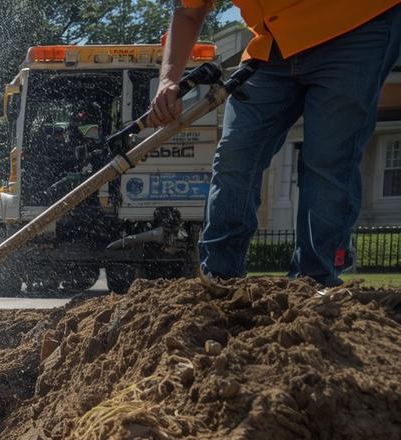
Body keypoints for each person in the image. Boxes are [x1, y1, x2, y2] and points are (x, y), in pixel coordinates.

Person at [151, 1, 401, 286]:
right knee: (235, 155)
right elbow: (188, 11)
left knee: (328, 161)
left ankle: (314, 282)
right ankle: (219, 273)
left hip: (354, 27)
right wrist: (168, 80)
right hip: (272, 44)